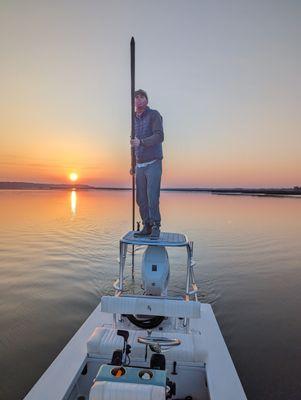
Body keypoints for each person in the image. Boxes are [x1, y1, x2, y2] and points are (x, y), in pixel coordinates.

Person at [130, 89, 164, 239]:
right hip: (140, 164)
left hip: (153, 162)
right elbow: (133, 143)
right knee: (141, 199)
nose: (138, 99)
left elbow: (159, 136)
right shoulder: (133, 120)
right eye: (136, 97)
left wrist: (142, 142)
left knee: (152, 196)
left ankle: (156, 226)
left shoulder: (154, 115)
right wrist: (133, 164)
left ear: (146, 100)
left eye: (141, 97)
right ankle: (147, 225)